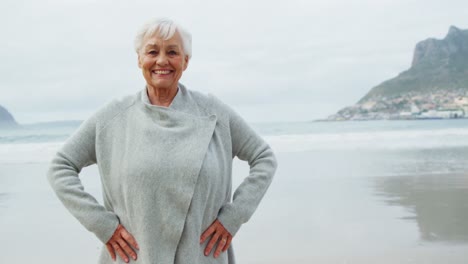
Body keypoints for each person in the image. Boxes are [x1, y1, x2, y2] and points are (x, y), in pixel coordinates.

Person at [47, 18, 277, 264]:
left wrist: (234, 216)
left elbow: (264, 158)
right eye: (152, 51)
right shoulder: (113, 118)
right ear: (139, 59)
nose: (162, 60)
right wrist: (102, 224)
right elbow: (60, 167)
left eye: (173, 52)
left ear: (185, 61)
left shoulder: (214, 114)